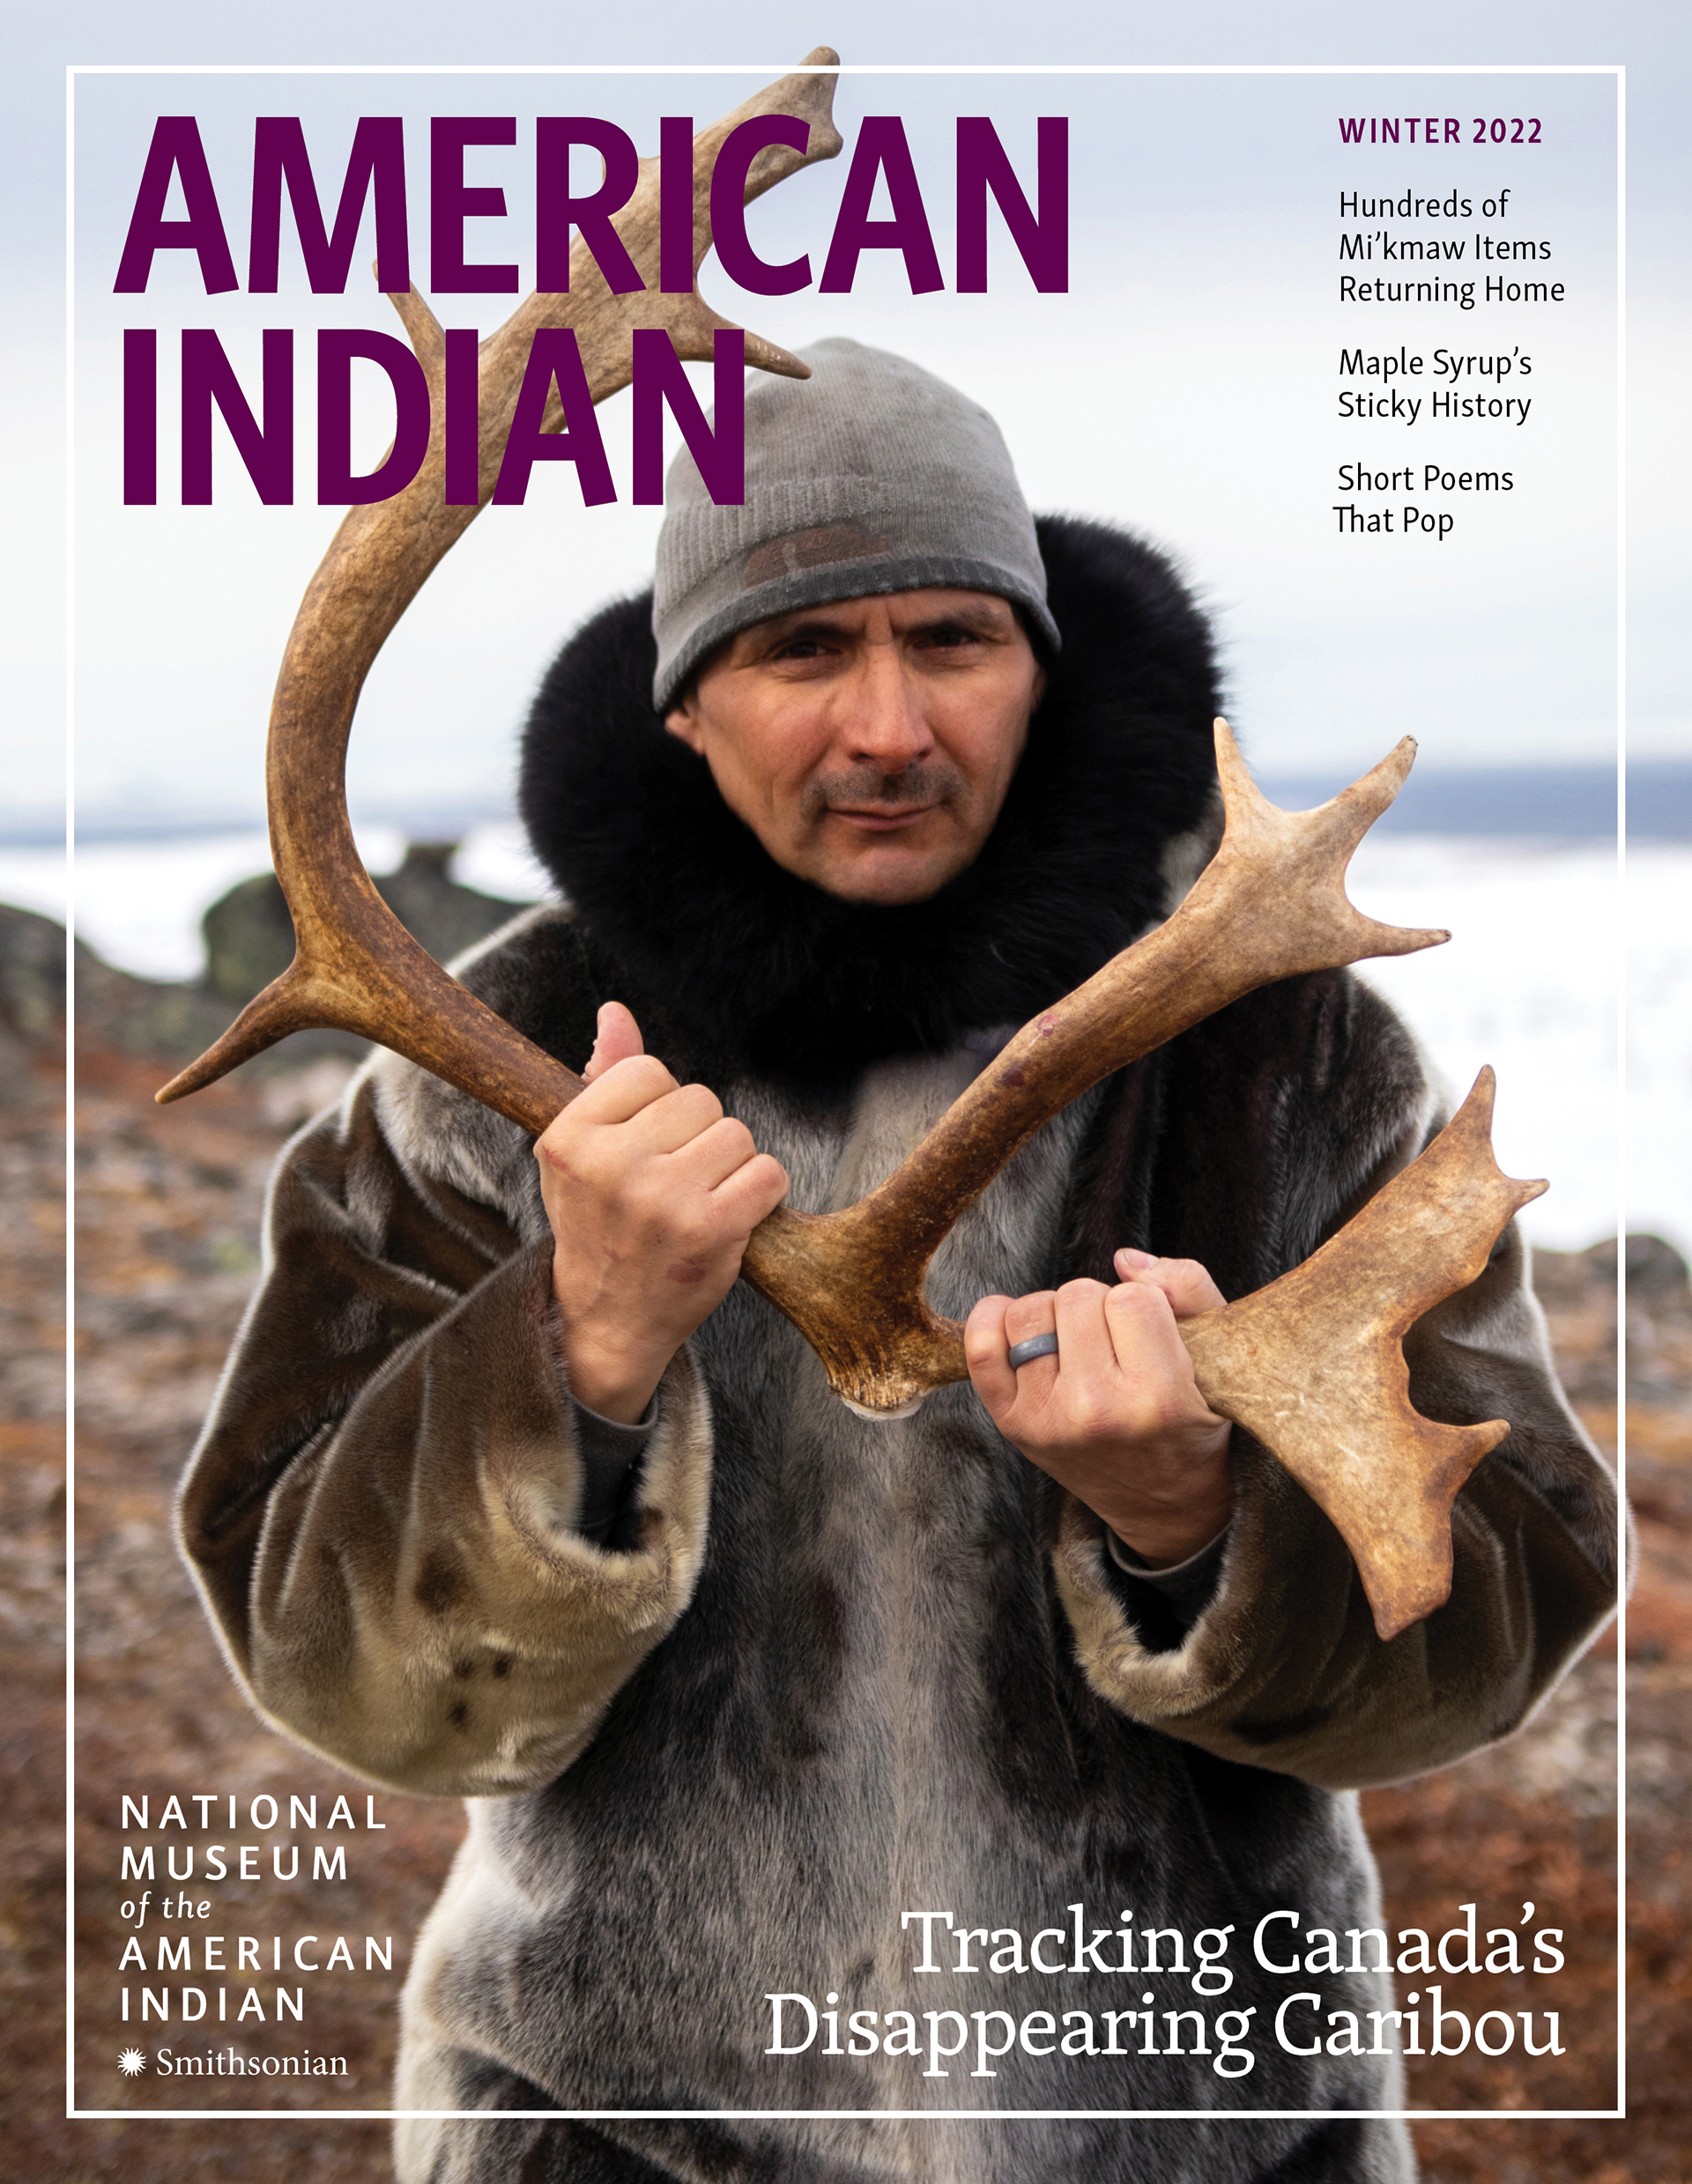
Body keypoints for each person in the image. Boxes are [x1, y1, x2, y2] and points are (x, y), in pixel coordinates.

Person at [179, 340, 1619, 2183]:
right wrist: (574, 1358)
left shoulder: (1292, 1055)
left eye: (954, 639)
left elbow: (1505, 1613)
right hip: (612, 2140)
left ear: (1044, 663)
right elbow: (339, 1673)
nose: (889, 729)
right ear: (684, 704)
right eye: (800, 650)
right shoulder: (482, 1059)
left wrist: (1193, 1523)